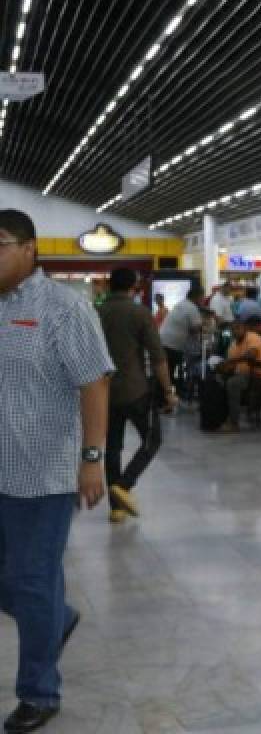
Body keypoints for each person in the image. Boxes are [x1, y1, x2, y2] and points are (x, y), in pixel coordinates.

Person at [0, 209, 114, 733]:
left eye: (0, 244)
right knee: (30, 588)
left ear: (30, 248)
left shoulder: (64, 308)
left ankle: (39, 693)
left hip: (42, 475)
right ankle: (56, 615)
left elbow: (94, 383)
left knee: (32, 578)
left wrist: (92, 460)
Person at [97, 268, 177, 524]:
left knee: (112, 448)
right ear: (134, 287)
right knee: (152, 440)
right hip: (136, 391)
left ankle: (116, 508)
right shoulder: (140, 313)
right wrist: (168, 390)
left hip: (104, 391)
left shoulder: (95, 313)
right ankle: (124, 484)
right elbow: (158, 356)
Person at [213, 316, 261, 433]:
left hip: (260, 375)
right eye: (233, 330)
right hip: (245, 375)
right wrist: (222, 367)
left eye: (238, 329)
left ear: (245, 328)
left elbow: (250, 356)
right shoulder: (233, 345)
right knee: (218, 380)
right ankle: (221, 417)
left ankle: (234, 423)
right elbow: (232, 366)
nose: (235, 332)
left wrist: (230, 362)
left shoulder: (253, 337)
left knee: (232, 384)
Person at [158, 283, 205, 398]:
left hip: (163, 341)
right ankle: (167, 398)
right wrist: (204, 325)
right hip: (172, 345)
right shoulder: (192, 308)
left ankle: (165, 397)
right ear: (197, 297)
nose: (202, 300)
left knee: (167, 371)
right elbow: (196, 328)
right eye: (202, 297)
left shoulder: (181, 304)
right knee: (171, 370)